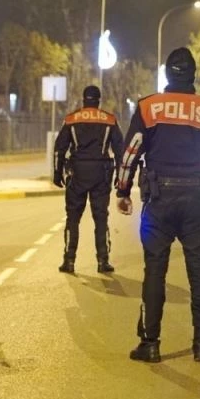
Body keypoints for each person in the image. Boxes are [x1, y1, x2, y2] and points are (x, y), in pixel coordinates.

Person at [116, 47, 200, 363]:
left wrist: (123, 190)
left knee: (155, 270)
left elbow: (130, 152)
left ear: (166, 74)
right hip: (197, 200)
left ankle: (150, 344)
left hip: (159, 200)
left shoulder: (149, 107)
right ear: (193, 74)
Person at [53, 85, 124, 274]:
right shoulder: (109, 120)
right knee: (101, 218)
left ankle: (69, 260)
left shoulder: (71, 119)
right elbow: (120, 151)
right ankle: (103, 261)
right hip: (101, 174)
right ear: (99, 100)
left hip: (77, 174)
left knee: (73, 218)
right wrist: (120, 176)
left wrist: (57, 173)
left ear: (84, 99)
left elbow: (60, 149)